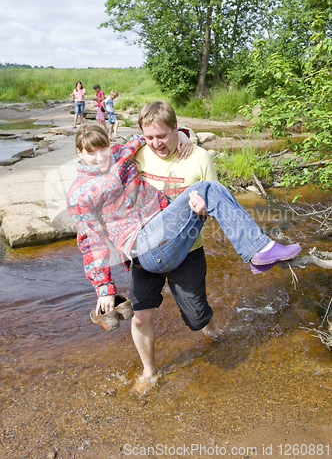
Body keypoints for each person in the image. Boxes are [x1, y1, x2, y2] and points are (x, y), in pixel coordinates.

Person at [67, 122, 301, 354]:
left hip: (165, 234)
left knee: (196, 318)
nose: (100, 157)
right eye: (91, 153)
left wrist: (182, 133)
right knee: (207, 189)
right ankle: (259, 250)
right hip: (142, 245)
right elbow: (91, 241)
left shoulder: (122, 152)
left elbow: (149, 135)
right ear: (79, 153)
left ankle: (216, 333)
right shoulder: (81, 193)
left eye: (103, 149)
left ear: (110, 144)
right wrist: (104, 288)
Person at [129, 101, 301, 388]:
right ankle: (149, 372)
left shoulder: (198, 157)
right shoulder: (136, 155)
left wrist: (203, 210)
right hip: (147, 246)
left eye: (163, 136)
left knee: (196, 320)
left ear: (174, 129)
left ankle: (210, 327)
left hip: (187, 249)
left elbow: (218, 204)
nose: (156, 143)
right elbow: (104, 154)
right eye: (150, 137)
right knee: (139, 317)